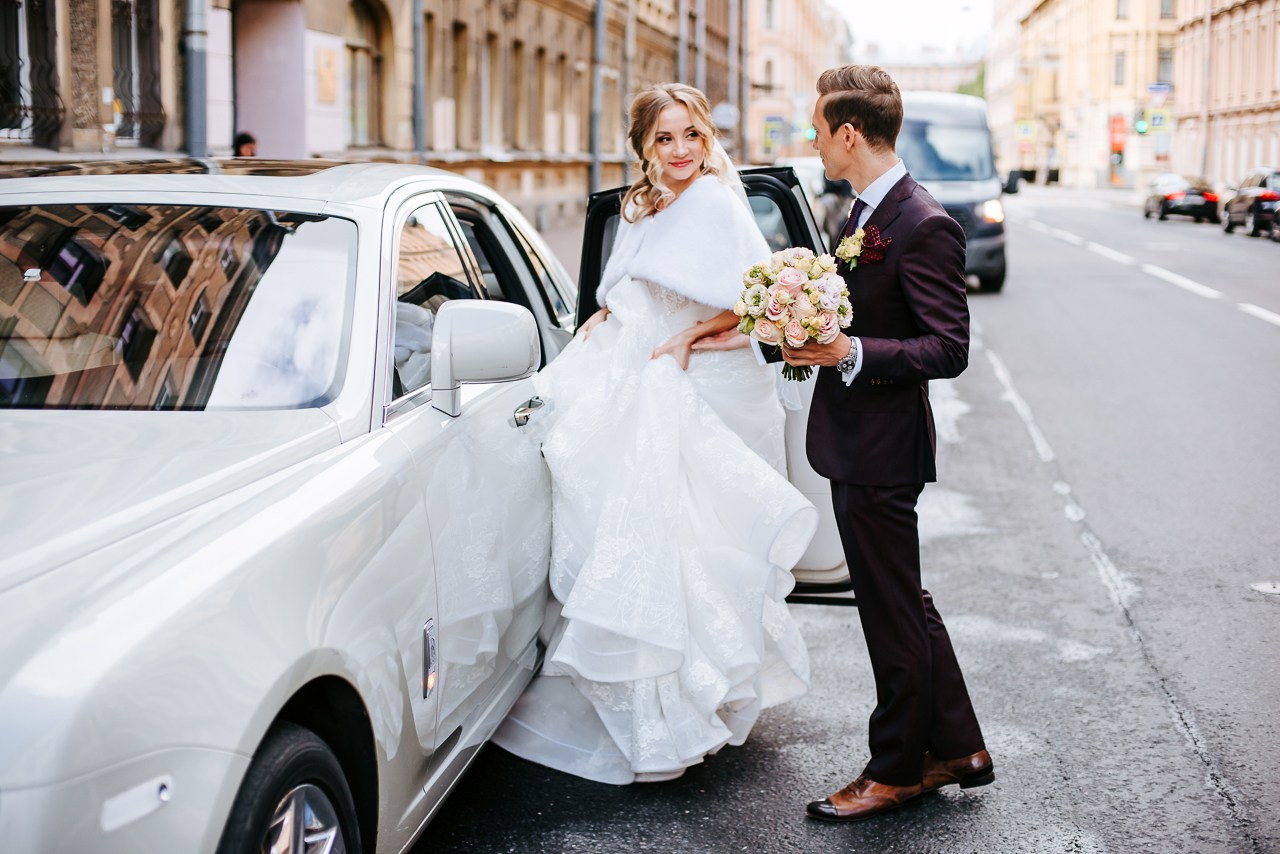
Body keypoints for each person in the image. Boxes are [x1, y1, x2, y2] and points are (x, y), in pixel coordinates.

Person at [491, 83, 818, 784]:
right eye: (665, 139)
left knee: (693, 537)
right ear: (644, 145)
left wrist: (688, 337)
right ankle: (648, 706)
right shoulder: (639, 205)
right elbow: (626, 286)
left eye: (691, 136)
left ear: (707, 137)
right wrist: (602, 319)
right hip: (638, 366)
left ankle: (695, 701)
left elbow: (754, 304)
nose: (680, 152)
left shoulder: (718, 202)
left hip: (696, 378)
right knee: (634, 527)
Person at [780, 65, 993, 821]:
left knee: (889, 609)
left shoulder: (921, 220)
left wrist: (850, 353)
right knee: (903, 599)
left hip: (882, 446)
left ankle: (896, 767)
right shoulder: (865, 210)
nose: (813, 140)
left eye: (817, 128)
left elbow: (947, 348)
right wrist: (813, 339)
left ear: (847, 133)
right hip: (857, 438)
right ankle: (958, 745)